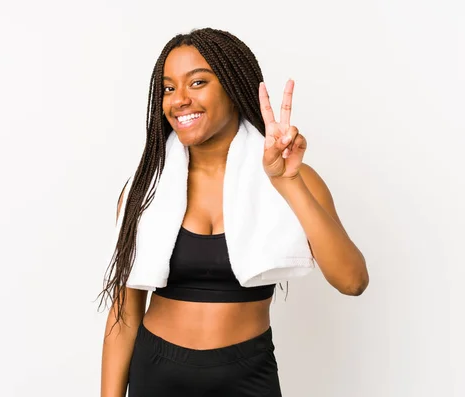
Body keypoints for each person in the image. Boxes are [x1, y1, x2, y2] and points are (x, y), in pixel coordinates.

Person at [98, 27, 369, 397]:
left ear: (233, 86)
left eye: (197, 83)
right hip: (156, 375)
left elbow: (352, 281)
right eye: (168, 87)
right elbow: (125, 315)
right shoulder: (144, 190)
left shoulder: (293, 179)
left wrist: (287, 183)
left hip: (247, 377)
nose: (179, 100)